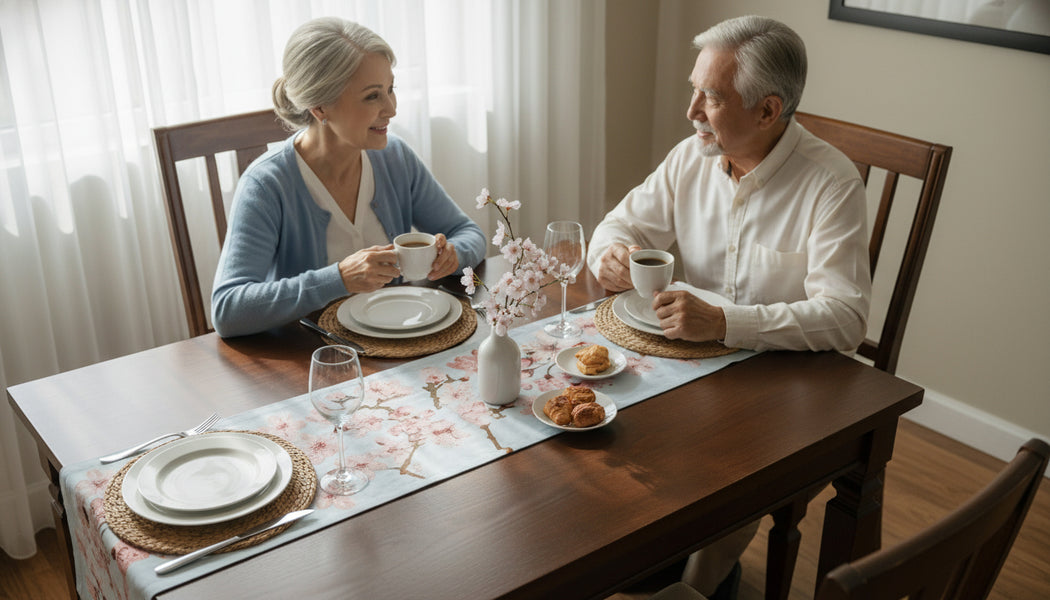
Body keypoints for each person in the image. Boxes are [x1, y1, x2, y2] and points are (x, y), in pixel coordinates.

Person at [587, 15, 871, 599]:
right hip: (689, 367)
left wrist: (728, 323)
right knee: (595, 441)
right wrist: (610, 252)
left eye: (709, 97)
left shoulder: (831, 183)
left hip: (786, 387)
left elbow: (846, 316)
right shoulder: (691, 156)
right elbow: (621, 221)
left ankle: (695, 587)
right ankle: (642, 566)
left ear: (768, 112)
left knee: (734, 469)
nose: (691, 111)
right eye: (694, 90)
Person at [211, 17, 486, 337]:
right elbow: (229, 309)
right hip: (314, 359)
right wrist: (338, 278)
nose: (391, 108)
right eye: (372, 96)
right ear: (319, 107)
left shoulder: (395, 158)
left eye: (390, 89)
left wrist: (452, 256)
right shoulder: (267, 185)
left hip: (400, 344)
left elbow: (467, 232)